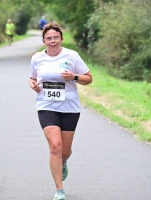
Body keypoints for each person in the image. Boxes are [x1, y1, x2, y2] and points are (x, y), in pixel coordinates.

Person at [29, 21, 92, 200]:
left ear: (61, 38)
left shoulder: (72, 56)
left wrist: (74, 77)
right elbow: (32, 78)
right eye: (49, 38)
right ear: (44, 41)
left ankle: (63, 163)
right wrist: (32, 84)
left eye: (56, 37)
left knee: (65, 151)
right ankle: (59, 190)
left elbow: (88, 78)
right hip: (46, 106)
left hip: (70, 108)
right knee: (55, 147)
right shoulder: (37, 58)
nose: (53, 41)